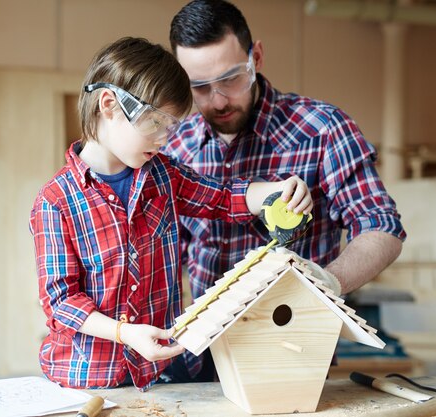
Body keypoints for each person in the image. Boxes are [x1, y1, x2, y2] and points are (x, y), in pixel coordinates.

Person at [29, 37, 313, 391]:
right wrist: (125, 333)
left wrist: (277, 191)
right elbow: (61, 301)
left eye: (172, 126)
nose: (164, 138)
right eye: (155, 122)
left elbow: (222, 197)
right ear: (109, 105)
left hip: (157, 374)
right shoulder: (55, 202)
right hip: (86, 378)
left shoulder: (164, 175)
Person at [164, 0, 406, 380]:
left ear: (255, 57)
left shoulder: (323, 129)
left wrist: (327, 282)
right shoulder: (174, 147)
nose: (218, 100)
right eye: (199, 87)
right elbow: (165, 251)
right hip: (203, 356)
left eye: (230, 79)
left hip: (297, 348)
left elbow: (382, 227)